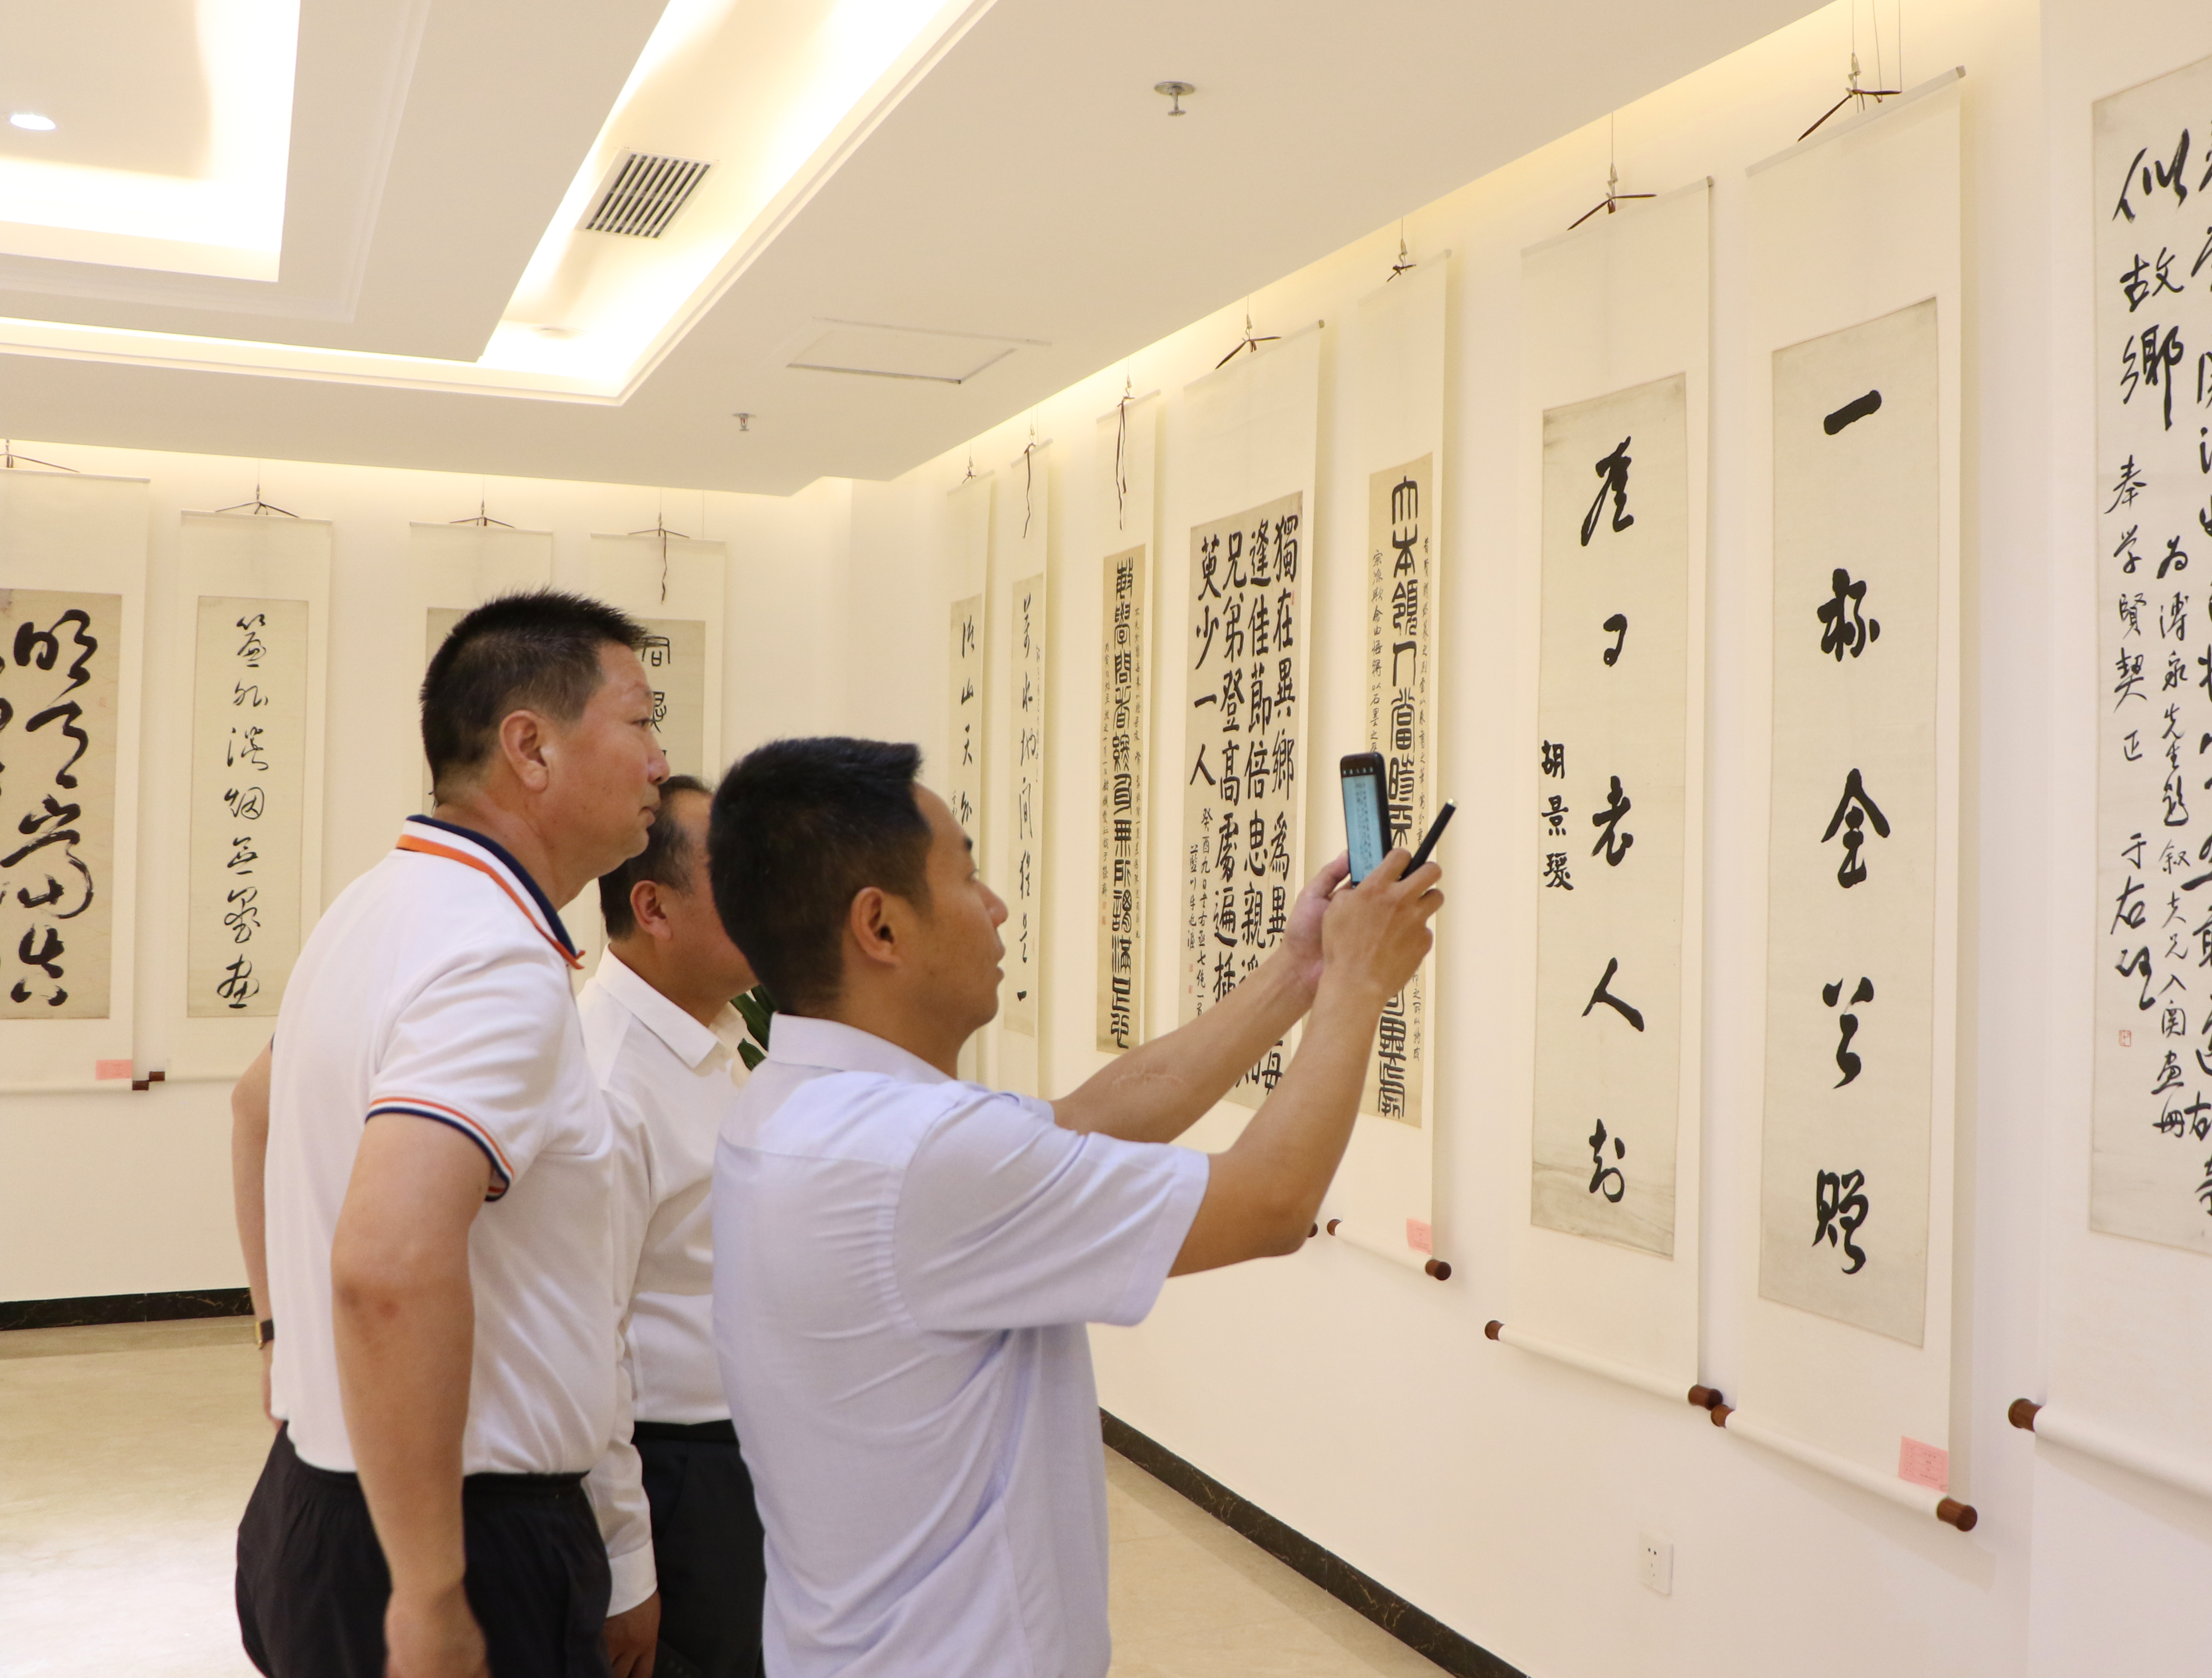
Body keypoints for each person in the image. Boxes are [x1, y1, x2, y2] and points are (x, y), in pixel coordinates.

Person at [704, 737, 1440, 1677]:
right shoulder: (919, 1156)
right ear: (880, 928)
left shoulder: (796, 1106)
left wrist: (1302, 974)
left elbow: (1095, 1118)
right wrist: (1360, 988)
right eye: (967, 875)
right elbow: (1269, 1204)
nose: (996, 907)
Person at [234, 590, 668, 1678]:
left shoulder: (379, 907)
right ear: (532, 747)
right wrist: (431, 1595)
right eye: (641, 721)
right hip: (452, 1535)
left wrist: (286, 1346)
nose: (662, 760)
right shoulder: (489, 955)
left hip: (320, 1494)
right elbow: (388, 1264)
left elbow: (251, 1109)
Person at [583, 775, 767, 1678]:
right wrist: (628, 1567)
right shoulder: (611, 1082)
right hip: (676, 1476)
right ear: (652, 906)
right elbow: (590, 1342)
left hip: (743, 1456)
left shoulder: (717, 1042)